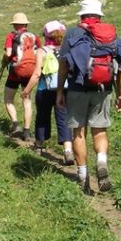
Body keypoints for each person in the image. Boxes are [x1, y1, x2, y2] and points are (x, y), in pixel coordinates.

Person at [56, 0, 121, 193]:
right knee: (100, 132)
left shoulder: (73, 33)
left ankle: (83, 177)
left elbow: (64, 64)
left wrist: (60, 91)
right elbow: (119, 69)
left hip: (77, 89)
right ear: (99, 15)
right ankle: (101, 162)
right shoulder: (109, 35)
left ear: (81, 15)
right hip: (103, 90)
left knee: (79, 133)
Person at [25, 20, 74, 164]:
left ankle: (39, 146)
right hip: (64, 88)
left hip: (45, 89)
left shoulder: (42, 51)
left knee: (42, 117)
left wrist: (26, 90)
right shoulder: (67, 49)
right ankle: (68, 150)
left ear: (46, 35)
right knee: (64, 119)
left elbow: (37, 74)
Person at [2, 12, 41, 141]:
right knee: (27, 100)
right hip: (30, 72)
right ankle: (27, 131)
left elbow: (8, 54)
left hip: (15, 72)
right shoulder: (35, 37)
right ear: (25, 24)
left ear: (14, 25)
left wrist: (4, 61)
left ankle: (15, 124)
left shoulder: (11, 36)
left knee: (8, 99)